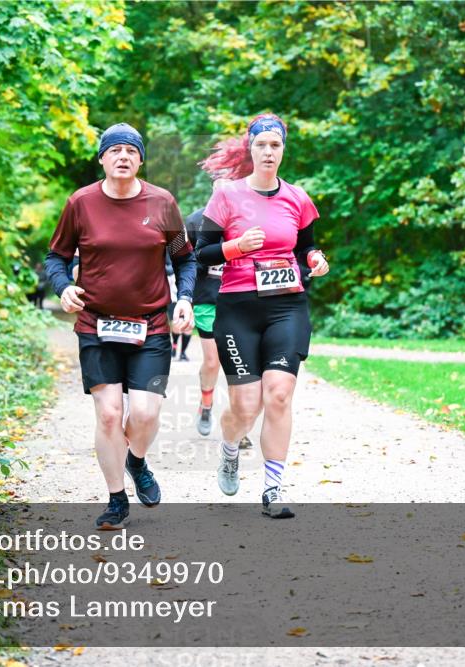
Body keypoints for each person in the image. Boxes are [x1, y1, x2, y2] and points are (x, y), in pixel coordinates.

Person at [44, 123, 196, 530]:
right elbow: (55, 258)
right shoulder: (81, 203)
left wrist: (184, 298)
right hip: (96, 325)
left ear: (141, 159)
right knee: (109, 415)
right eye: (115, 151)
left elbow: (186, 260)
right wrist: (63, 288)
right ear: (102, 159)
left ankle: (137, 461)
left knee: (144, 414)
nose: (123, 156)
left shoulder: (162, 203)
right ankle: (116, 500)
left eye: (132, 150)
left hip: (150, 326)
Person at [194, 113, 329, 519]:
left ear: (283, 150)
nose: (268, 151)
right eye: (261, 145)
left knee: (280, 395)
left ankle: (273, 489)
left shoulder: (298, 198)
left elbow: (307, 246)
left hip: (286, 306)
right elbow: (201, 254)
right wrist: (236, 247)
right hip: (238, 309)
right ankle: (230, 447)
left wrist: (315, 259)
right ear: (250, 150)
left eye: (275, 145)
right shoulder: (227, 197)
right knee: (246, 407)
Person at [184, 178, 252, 449]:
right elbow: (180, 259)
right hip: (207, 300)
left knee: (239, 365)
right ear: (213, 189)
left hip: (239, 300)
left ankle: (239, 427)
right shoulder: (194, 221)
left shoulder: (247, 218)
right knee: (213, 361)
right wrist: (184, 296)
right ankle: (206, 403)